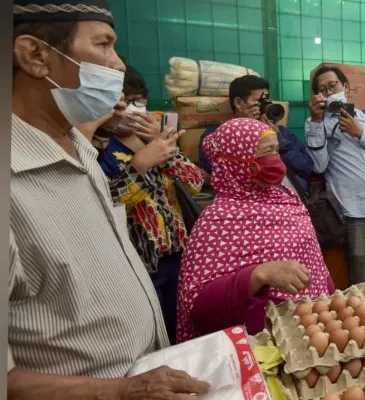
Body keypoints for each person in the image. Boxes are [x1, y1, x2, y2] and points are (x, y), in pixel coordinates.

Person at [10, 1, 208, 398]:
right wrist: (117, 391)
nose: (117, 65)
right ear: (35, 56)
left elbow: (194, 179)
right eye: (104, 46)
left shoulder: (78, 151)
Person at [177, 118, 335, 340]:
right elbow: (199, 305)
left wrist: (329, 296)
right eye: (266, 152)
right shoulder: (217, 221)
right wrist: (259, 274)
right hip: (267, 338)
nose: (275, 160)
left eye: (276, 151)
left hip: (314, 323)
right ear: (236, 160)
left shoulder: (286, 198)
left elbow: (313, 258)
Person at [98, 64, 204, 344]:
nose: (131, 109)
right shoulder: (98, 148)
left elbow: (194, 182)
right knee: (155, 337)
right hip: (143, 265)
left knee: (185, 328)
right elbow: (106, 206)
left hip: (180, 255)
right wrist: (140, 165)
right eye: (123, 100)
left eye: (138, 100)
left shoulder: (155, 137)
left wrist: (162, 145)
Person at [306, 66, 365, 287]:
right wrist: (315, 120)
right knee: (362, 282)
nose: (330, 92)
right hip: (358, 215)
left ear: (345, 87)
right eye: (323, 90)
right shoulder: (317, 124)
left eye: (333, 86)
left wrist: (361, 133)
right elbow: (318, 166)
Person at [197, 75, 313, 193]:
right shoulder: (216, 135)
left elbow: (306, 167)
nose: (264, 106)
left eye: (267, 101)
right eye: (259, 101)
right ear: (238, 103)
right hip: (243, 202)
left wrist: (279, 142)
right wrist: (244, 130)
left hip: (288, 199)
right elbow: (213, 171)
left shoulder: (281, 132)